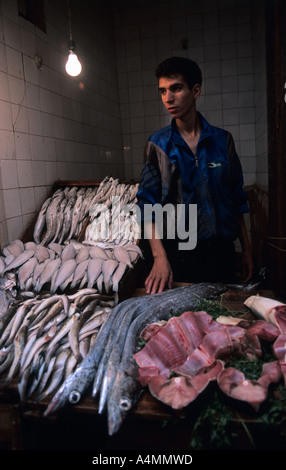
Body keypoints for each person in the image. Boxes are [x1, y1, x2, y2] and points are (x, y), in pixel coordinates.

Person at [136, 56, 253, 294]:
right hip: (180, 254)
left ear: (195, 90)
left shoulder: (222, 141)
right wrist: (159, 257)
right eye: (163, 91)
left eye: (176, 88)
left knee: (221, 320)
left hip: (221, 253)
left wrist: (247, 249)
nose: (168, 98)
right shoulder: (158, 145)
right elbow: (146, 206)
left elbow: (236, 198)